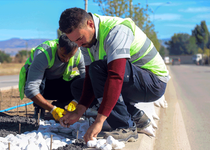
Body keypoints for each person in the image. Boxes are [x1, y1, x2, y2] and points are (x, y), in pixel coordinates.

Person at [58, 7, 170, 143]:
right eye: (75, 41)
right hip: (130, 79)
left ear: (90, 24)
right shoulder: (85, 43)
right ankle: (136, 117)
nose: (79, 44)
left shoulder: (116, 31)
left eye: (80, 38)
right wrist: (78, 112)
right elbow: (89, 81)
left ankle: (125, 127)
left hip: (153, 82)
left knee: (98, 69)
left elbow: (115, 77)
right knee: (78, 86)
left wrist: (99, 121)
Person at [18, 34, 85, 121]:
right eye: (63, 55)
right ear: (58, 46)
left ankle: (60, 106)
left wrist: (77, 100)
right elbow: (31, 89)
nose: (66, 60)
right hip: (43, 88)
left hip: (58, 84)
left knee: (79, 81)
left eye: (70, 57)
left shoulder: (79, 53)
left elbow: (87, 82)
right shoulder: (43, 53)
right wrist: (52, 109)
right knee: (40, 79)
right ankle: (39, 111)